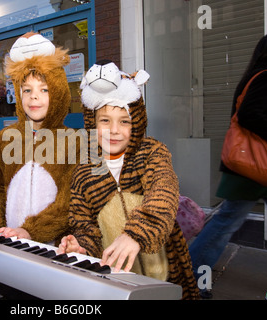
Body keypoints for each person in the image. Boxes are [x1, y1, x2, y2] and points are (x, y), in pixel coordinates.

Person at [58, 60, 199, 300]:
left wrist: (136, 233)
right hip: (117, 283)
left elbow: (163, 192)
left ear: (137, 122)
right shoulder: (84, 172)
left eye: (124, 121)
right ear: (92, 123)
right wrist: (81, 247)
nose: (114, 130)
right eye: (105, 121)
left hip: (166, 275)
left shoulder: (152, 153)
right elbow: (85, 227)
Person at [189, 31, 267, 298]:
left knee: (225, 222)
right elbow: (251, 116)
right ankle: (190, 275)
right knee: (224, 223)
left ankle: (191, 274)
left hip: (251, 169)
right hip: (256, 169)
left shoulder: (256, 77)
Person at [0, 32, 79, 244]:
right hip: (9, 242)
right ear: (18, 93)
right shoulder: (3, 140)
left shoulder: (75, 143)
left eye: (44, 89)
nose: (34, 96)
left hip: (56, 248)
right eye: (27, 90)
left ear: (58, 93)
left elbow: (70, 201)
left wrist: (32, 230)